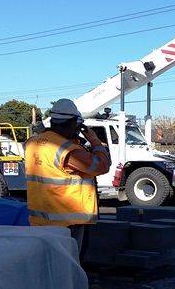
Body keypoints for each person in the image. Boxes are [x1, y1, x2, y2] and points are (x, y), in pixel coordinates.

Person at [25, 99, 111, 253]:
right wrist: (95, 141)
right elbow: (102, 166)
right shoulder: (68, 150)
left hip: (40, 220)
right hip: (68, 223)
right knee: (69, 266)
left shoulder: (32, 143)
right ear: (72, 123)